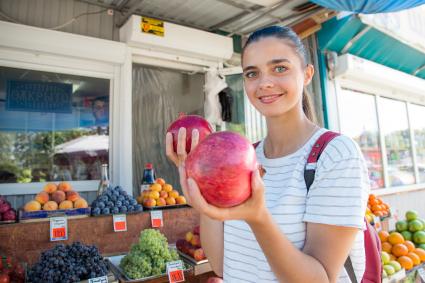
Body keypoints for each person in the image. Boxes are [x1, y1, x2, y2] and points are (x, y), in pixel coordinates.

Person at [166, 26, 370, 283]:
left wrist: (258, 217)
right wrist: (200, 175)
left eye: (280, 68)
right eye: (253, 73)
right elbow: (221, 264)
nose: (265, 83)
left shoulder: (336, 155)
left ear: (307, 74)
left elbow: (320, 278)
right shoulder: (243, 157)